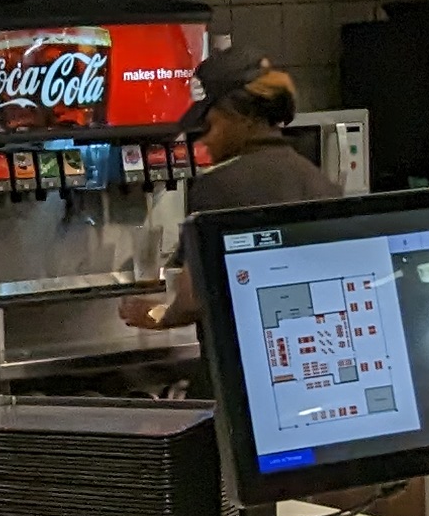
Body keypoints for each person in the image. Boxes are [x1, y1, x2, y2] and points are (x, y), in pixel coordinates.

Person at [120, 52, 337, 334]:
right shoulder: (319, 181)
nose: (205, 140)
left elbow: (191, 299)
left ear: (243, 118)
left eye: (209, 126)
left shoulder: (218, 186)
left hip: (245, 351)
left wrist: (156, 315)